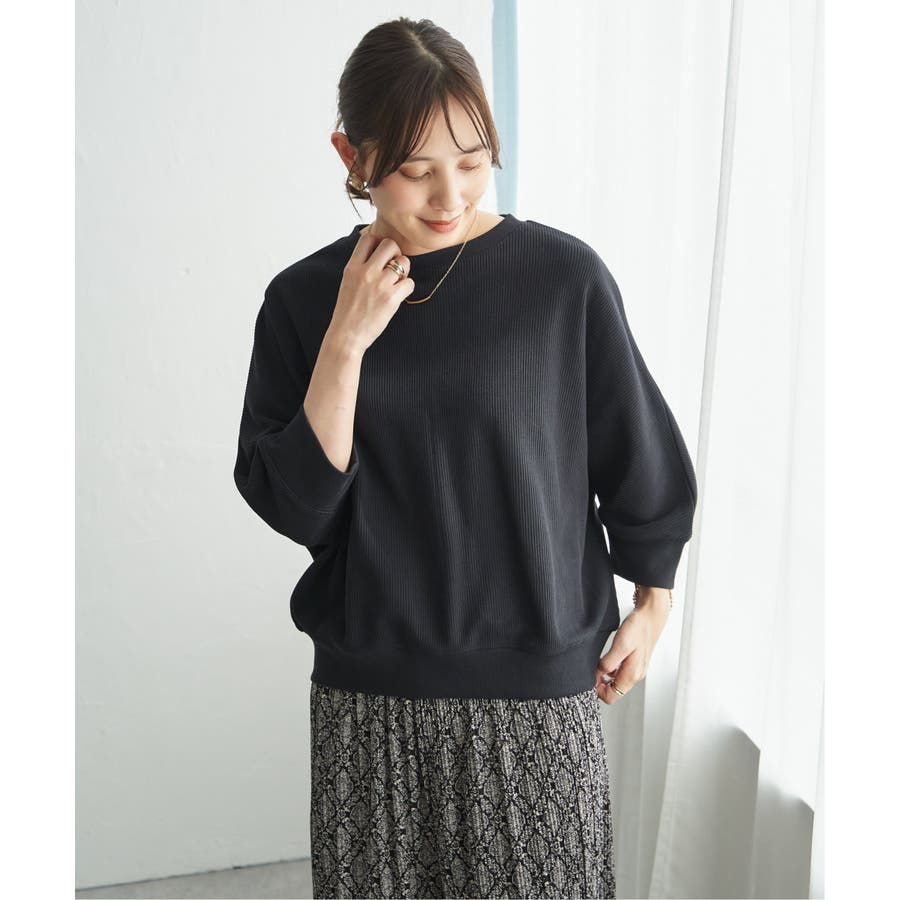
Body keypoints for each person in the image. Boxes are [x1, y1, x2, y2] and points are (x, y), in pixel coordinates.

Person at [233, 16, 697, 900]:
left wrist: (654, 599)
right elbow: (296, 507)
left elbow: (637, 451)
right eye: (416, 170)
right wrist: (345, 343)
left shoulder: (562, 280)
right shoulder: (302, 302)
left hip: (539, 696)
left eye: (474, 161)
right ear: (353, 156)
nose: (450, 195)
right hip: (369, 704)